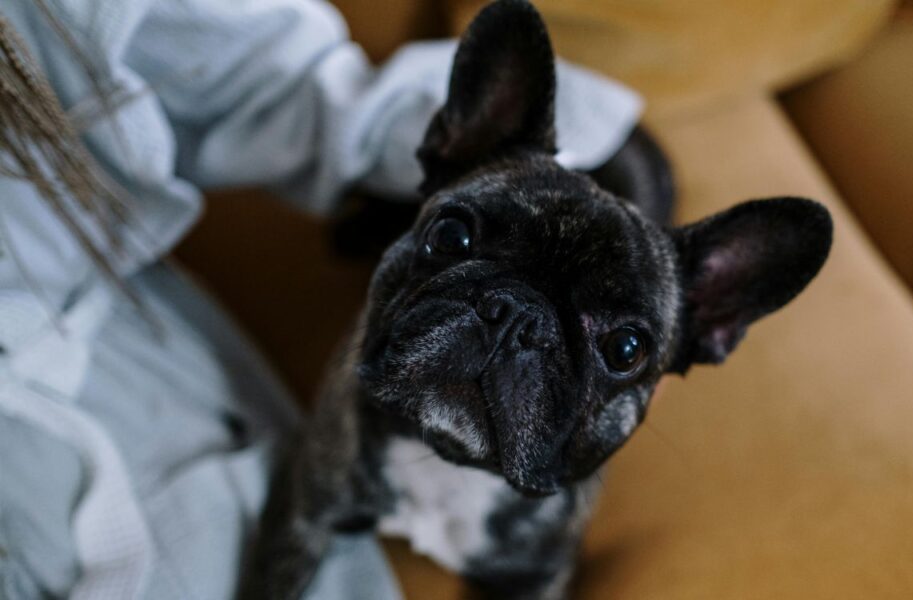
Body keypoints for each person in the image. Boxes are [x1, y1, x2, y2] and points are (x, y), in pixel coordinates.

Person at [0, 0, 641, 598]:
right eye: (457, 239)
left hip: (102, 343)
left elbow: (270, 77)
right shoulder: (345, 430)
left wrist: (535, 179)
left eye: (622, 348)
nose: (508, 327)